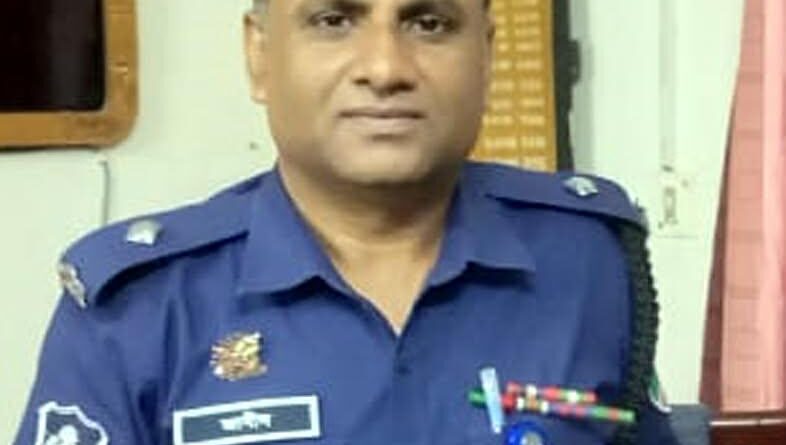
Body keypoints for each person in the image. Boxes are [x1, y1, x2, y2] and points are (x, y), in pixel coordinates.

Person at [14, 0, 679, 444]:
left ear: (486, 55)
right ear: (259, 55)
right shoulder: (139, 306)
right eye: (334, 20)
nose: (385, 68)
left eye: (429, 23)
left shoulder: (588, 262)